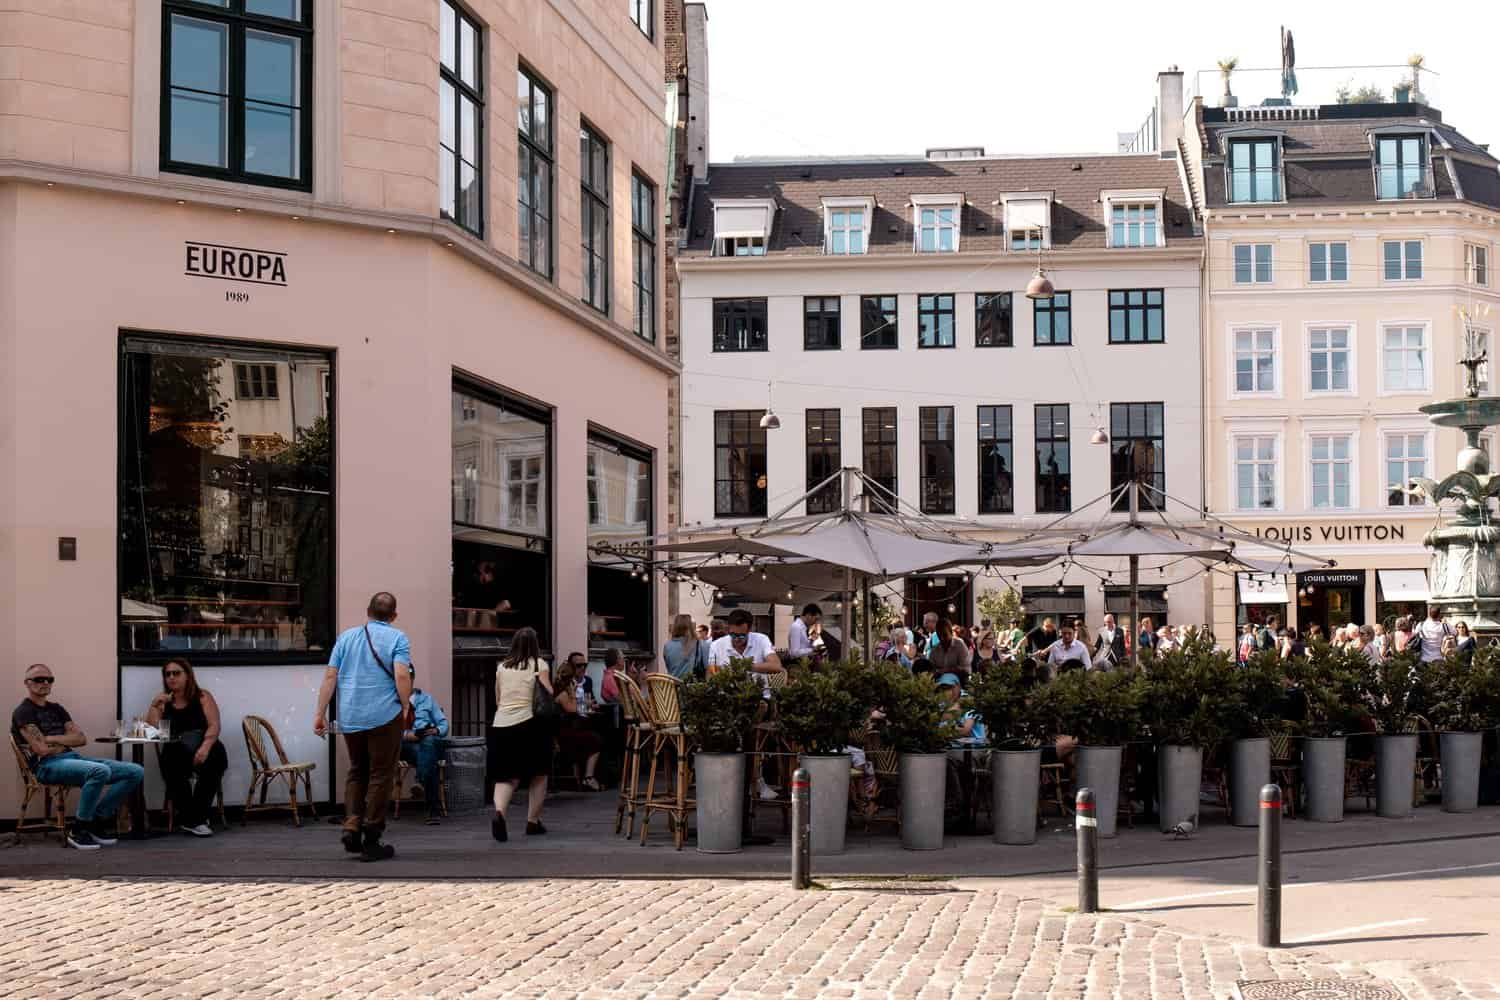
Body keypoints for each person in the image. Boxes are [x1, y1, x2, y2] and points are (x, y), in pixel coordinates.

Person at [314, 591, 412, 862]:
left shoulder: (346, 638)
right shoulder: (398, 638)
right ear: (393, 616)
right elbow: (402, 674)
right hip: (384, 714)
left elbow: (330, 676)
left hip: (351, 716)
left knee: (357, 771)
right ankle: (372, 836)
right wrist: (405, 705)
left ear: (367, 611)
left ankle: (351, 824)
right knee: (382, 773)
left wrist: (320, 713)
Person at [12, 663, 143, 849]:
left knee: (135, 771)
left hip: (72, 759)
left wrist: (50, 738)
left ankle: (95, 821)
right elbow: (41, 750)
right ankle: (79, 829)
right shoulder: (24, 712)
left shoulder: (57, 709)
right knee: (99, 771)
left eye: (49, 679)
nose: (45, 683)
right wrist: (63, 741)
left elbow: (81, 739)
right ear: (27, 683)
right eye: (39, 679)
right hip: (45, 766)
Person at [144, 657, 227, 837]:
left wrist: (204, 748)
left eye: (176, 673)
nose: (172, 677)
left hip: (204, 743)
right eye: (168, 674)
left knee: (215, 760)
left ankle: (192, 818)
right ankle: (196, 819)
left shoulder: (202, 696)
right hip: (177, 748)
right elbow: (151, 729)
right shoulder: (165, 701)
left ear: (188, 675)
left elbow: (214, 725)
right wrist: (154, 705)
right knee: (172, 766)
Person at [488, 626, 553, 842]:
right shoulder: (539, 665)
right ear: (535, 645)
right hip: (529, 725)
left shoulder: (502, 667)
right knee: (539, 773)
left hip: (501, 725)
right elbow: (547, 693)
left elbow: (498, 700)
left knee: (505, 776)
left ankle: (499, 812)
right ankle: (533, 821)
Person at [400, 666, 450, 823]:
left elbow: (443, 724)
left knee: (428, 743)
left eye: (408, 678)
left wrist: (435, 730)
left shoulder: (427, 699)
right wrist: (410, 735)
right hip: (407, 745)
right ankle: (433, 810)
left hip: (429, 741)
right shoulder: (393, 701)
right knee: (429, 757)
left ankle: (420, 781)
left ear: (413, 678)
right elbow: (389, 732)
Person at [553, 661, 603, 791]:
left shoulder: (560, 692)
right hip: (563, 735)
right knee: (595, 740)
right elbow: (573, 709)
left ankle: (588, 777)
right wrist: (574, 693)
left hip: (568, 730)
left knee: (593, 736)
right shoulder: (562, 694)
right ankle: (589, 777)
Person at [707, 609, 784, 676]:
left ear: (749, 630)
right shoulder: (716, 645)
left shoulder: (761, 639)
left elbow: (776, 665)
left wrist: (745, 666)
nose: (736, 639)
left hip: (759, 691)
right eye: (733, 634)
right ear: (728, 629)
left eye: (741, 636)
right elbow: (709, 674)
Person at [662, 614, 709, 680]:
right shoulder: (701, 644)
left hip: (672, 687)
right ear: (691, 627)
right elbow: (708, 671)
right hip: (694, 688)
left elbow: (669, 668)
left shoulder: (667, 646)